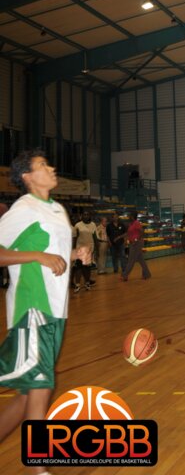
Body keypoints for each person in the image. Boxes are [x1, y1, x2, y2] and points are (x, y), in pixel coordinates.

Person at [0, 150, 90, 475]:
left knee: (27, 397)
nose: (51, 168)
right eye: (42, 165)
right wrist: (37, 256)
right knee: (41, 385)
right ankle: (37, 467)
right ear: (26, 176)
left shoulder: (57, 209)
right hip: (32, 307)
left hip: (56, 309)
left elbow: (54, 251)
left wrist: (75, 254)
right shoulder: (23, 209)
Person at [122, 213, 151, 281]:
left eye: (129, 216)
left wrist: (136, 240)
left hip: (137, 243)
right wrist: (123, 238)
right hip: (133, 243)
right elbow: (129, 233)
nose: (128, 217)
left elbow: (142, 231)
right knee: (141, 260)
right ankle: (146, 274)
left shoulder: (136, 223)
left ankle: (125, 275)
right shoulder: (131, 224)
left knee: (131, 259)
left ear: (132, 217)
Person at [72, 211, 97, 292]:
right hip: (79, 249)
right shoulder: (78, 225)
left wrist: (96, 249)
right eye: (84, 214)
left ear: (89, 216)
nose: (86, 216)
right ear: (81, 216)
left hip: (89, 249)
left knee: (87, 268)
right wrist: (73, 249)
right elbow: (75, 238)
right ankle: (77, 285)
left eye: (87, 214)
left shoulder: (93, 225)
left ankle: (87, 283)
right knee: (78, 268)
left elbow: (95, 237)